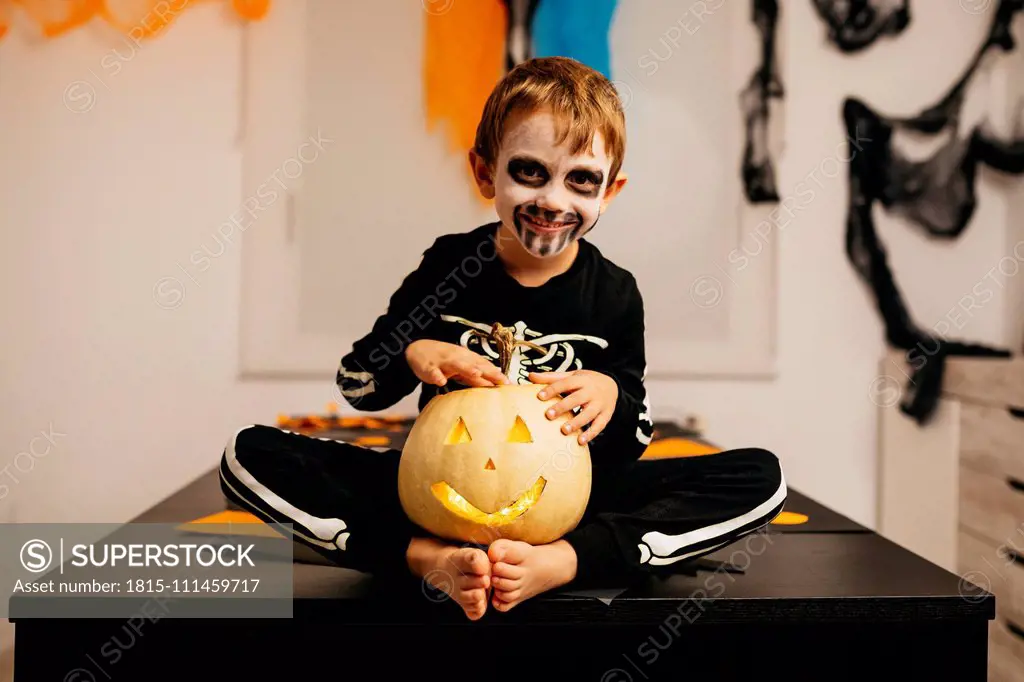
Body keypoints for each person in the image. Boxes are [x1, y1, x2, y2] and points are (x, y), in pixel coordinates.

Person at [219, 56, 787, 621]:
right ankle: (424, 559)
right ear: (486, 172)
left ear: (609, 191)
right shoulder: (449, 264)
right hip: (433, 497)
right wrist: (413, 351)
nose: (553, 201)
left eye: (580, 180)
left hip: (574, 505)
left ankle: (565, 562)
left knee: (760, 476)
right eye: (530, 172)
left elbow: (632, 435)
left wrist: (612, 397)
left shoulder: (614, 292)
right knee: (248, 454)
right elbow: (359, 384)